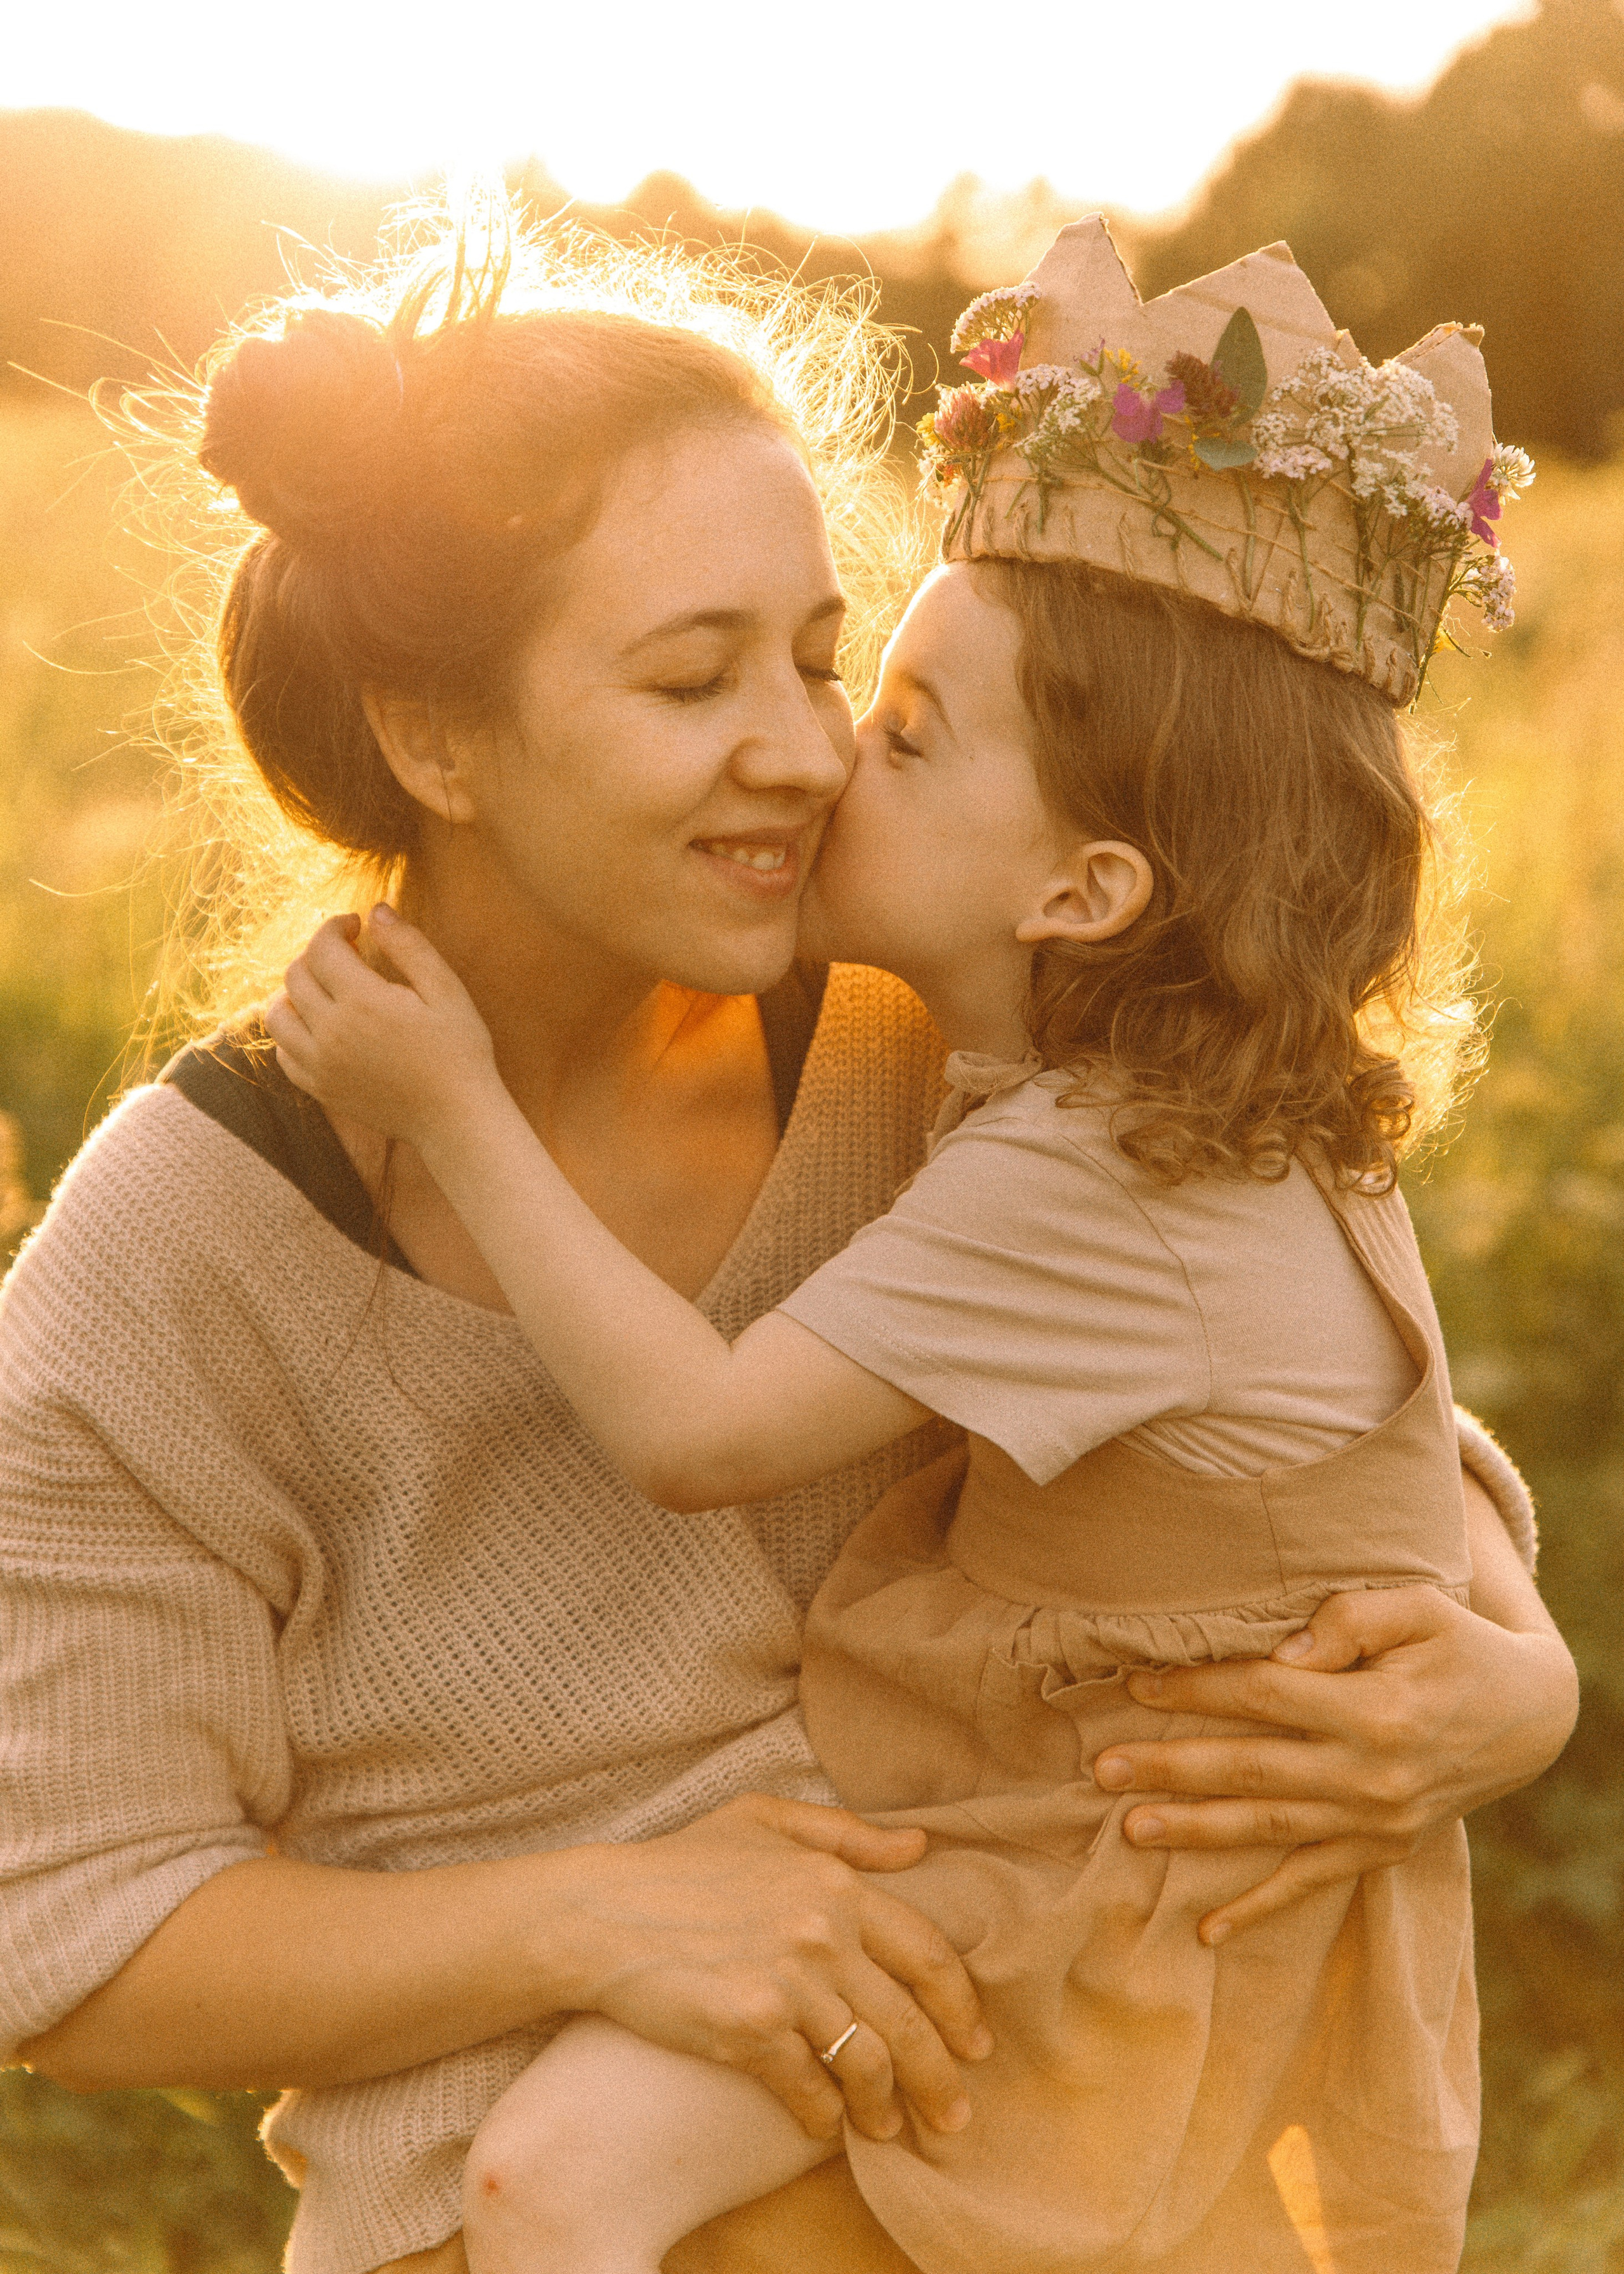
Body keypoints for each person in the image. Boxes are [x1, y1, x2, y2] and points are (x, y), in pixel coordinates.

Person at [0, 209, 1573, 2274]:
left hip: (1094, 2164)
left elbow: (1293, 1405)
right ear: (434, 739)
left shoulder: (955, 1040)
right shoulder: (181, 1246)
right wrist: (600, 1918)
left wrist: (1507, 1671)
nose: (809, 748)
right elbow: (65, 1930)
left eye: (828, 663)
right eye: (691, 677)